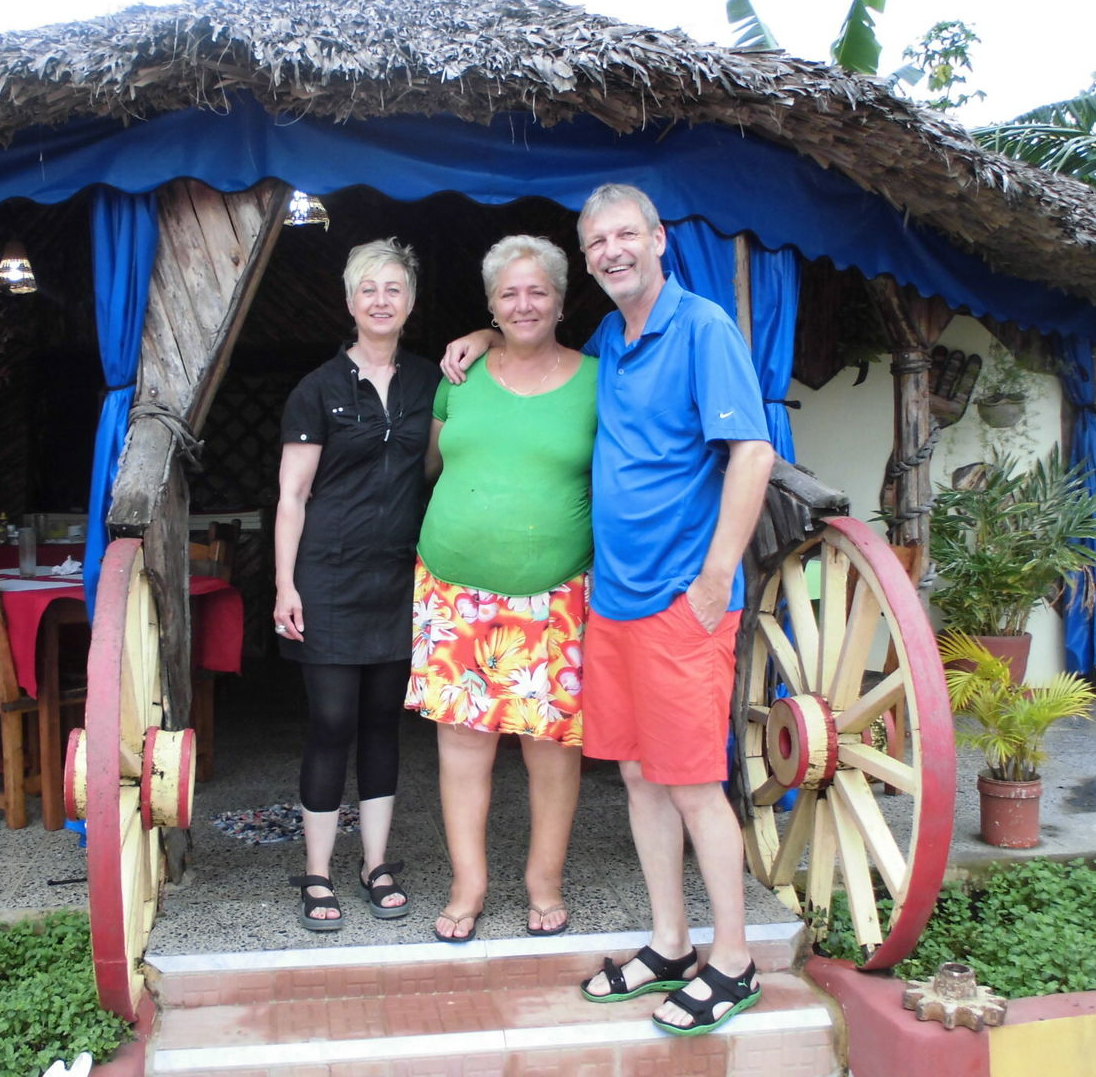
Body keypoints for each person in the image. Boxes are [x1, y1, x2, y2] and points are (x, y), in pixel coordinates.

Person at [443, 185, 775, 1036]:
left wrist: (715, 579)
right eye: (598, 241)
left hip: (680, 598)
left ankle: (733, 959)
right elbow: (534, 340)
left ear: (658, 238)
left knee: (693, 783)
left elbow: (752, 452)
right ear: (587, 258)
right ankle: (669, 943)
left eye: (626, 234)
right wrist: (485, 335)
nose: (613, 250)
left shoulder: (702, 328)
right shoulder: (612, 341)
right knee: (637, 775)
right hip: (614, 600)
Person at [407, 235, 598, 944]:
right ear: (491, 304)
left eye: (537, 291)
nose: (523, 304)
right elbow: (429, 465)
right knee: (462, 748)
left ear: (560, 301)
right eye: (508, 293)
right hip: (452, 591)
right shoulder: (458, 379)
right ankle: (469, 885)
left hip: (555, 594)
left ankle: (544, 882)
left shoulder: (597, 380)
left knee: (552, 748)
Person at [274, 237, 440, 931]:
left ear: (411, 301)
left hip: (398, 575)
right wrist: (285, 584)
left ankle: (375, 864)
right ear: (349, 301)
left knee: (381, 724)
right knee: (332, 722)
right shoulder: (317, 389)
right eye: (368, 288)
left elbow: (435, 469)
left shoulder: (432, 382)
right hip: (328, 576)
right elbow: (293, 496)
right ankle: (316, 871)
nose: (381, 300)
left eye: (393, 288)